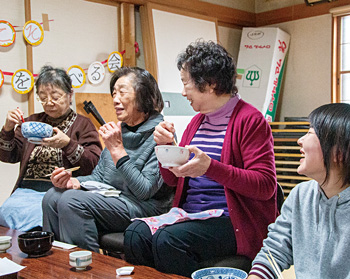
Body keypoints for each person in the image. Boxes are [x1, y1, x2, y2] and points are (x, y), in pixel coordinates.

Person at [123, 40, 277, 277]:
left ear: (211, 84)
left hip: (231, 220)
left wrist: (211, 168)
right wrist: (166, 149)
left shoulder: (251, 121)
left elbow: (266, 186)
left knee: (168, 241)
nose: (183, 92)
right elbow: (174, 181)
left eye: (187, 84)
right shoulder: (197, 122)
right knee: (135, 234)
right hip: (191, 214)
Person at [42, 67, 174, 252]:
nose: (115, 100)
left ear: (144, 95)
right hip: (113, 200)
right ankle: (59, 265)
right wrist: (73, 181)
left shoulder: (161, 134)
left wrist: (118, 150)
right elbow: (99, 179)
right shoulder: (121, 131)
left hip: (144, 207)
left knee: (71, 201)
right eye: (113, 93)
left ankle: (87, 268)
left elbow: (144, 191)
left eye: (122, 92)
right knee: (52, 196)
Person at [248, 103, 350, 279]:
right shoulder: (301, 195)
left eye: (310, 133)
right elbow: (274, 251)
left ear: (338, 153)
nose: (300, 140)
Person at [0, 65, 102, 232]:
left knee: (38, 222)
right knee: (4, 217)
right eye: (43, 97)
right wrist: (8, 129)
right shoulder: (31, 123)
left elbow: (94, 163)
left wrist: (67, 144)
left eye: (55, 96)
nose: (48, 103)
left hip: (61, 194)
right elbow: (7, 156)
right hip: (25, 192)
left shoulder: (82, 125)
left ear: (70, 95)